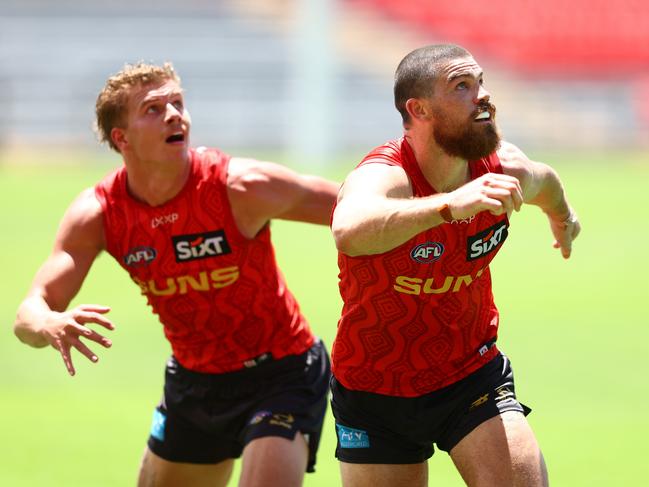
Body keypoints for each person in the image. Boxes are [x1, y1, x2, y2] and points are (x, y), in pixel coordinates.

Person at [14, 62, 339, 487]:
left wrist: (441, 215)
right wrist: (48, 321)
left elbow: (357, 210)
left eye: (177, 103)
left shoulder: (241, 186)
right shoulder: (99, 214)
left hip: (282, 373)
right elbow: (29, 312)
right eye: (153, 108)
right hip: (195, 384)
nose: (174, 114)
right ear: (121, 138)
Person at [329, 44, 581, 487]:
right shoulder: (387, 174)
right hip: (373, 388)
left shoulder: (502, 169)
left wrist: (562, 216)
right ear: (418, 108)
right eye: (462, 86)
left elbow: (545, 181)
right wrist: (449, 205)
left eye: (481, 82)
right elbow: (348, 229)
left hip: (470, 372)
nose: (483, 94)